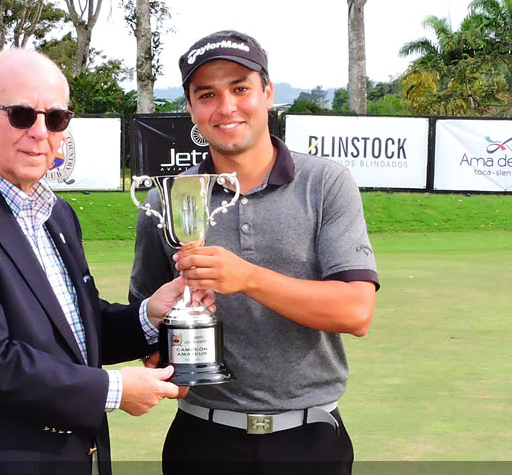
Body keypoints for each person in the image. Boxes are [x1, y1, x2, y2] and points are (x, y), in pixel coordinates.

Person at [0, 49, 197, 475]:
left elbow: (75, 332)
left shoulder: (56, 215)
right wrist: (113, 390)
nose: (40, 132)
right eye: (22, 114)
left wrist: (149, 316)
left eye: (55, 118)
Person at [129, 30, 380, 475]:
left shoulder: (324, 183)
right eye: (207, 94)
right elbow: (148, 328)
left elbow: (356, 311)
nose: (226, 107)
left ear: (267, 94)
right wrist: (170, 351)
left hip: (310, 439)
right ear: (191, 108)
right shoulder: (168, 201)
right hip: (201, 440)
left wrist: (246, 278)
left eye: (240, 88)